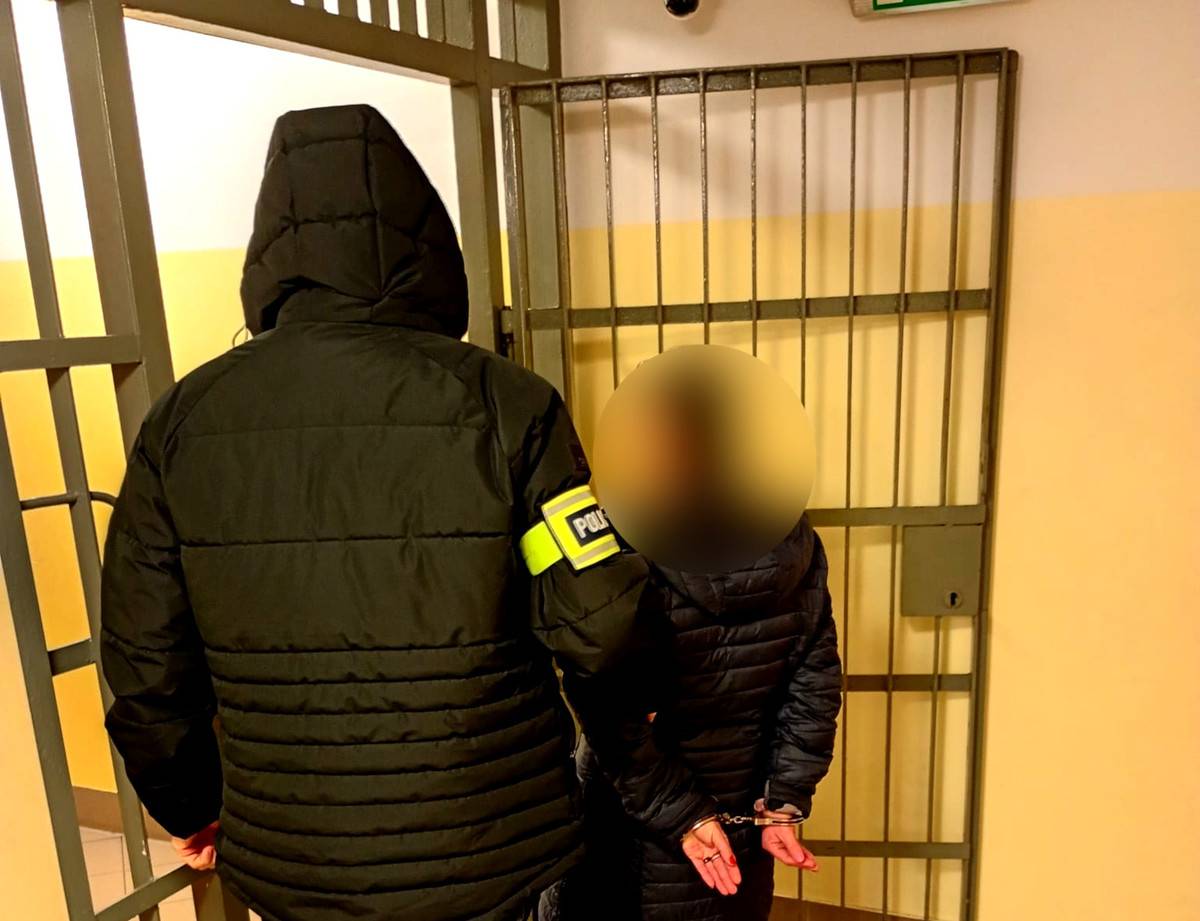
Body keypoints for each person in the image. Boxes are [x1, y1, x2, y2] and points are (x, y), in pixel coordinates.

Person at [99, 104, 728, 921]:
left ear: (270, 255)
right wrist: (641, 699)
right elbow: (600, 620)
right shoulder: (508, 403)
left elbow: (146, 665)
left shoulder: (182, 424)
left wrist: (189, 801)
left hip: (295, 854)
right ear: (425, 242)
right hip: (491, 843)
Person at [542, 515, 841, 920]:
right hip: (739, 823)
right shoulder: (790, 539)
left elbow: (609, 707)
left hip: (632, 817)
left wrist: (683, 813)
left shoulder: (626, 537)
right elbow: (814, 688)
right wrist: (783, 800)